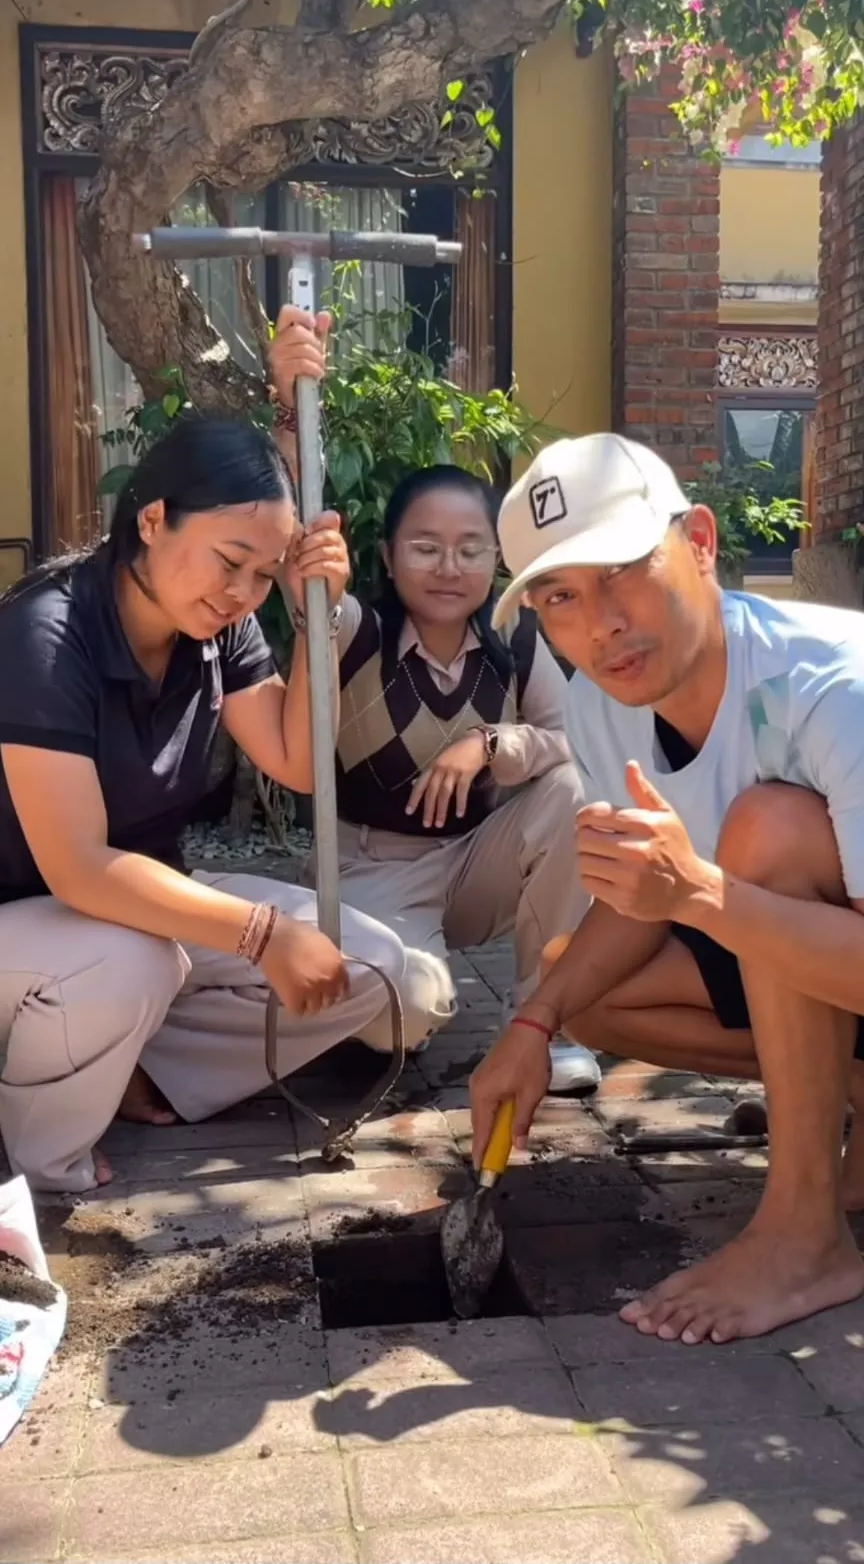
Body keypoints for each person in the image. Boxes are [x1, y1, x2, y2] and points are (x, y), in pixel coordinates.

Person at [469, 431, 864, 1344]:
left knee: (766, 829)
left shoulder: (830, 689)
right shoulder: (605, 700)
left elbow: (690, 894)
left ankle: (806, 1237)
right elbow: (634, 900)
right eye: (561, 598)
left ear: (700, 542)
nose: (599, 622)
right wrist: (533, 1025)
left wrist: (695, 895)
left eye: (622, 570)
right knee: (584, 986)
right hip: (821, 950)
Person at [0, 415, 406, 1194]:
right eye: (229, 561)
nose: (241, 592)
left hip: (131, 909)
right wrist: (260, 934)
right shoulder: (46, 638)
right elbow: (78, 867)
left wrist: (313, 612)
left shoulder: (219, 630)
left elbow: (297, 765)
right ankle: (40, 1162)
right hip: (31, 916)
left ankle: (123, 1058)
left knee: (369, 964)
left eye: (263, 573)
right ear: (151, 518)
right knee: (133, 961)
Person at [269, 311, 598, 1076]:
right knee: (401, 1017)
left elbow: (573, 738)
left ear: (497, 556)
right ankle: (405, 967)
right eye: (425, 547)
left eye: (470, 548)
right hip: (374, 869)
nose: (449, 567)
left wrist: (488, 745)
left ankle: (547, 1022)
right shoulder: (354, 630)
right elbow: (299, 546)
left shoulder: (515, 640)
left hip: (477, 862)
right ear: (387, 554)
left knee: (575, 793)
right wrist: (291, 410)